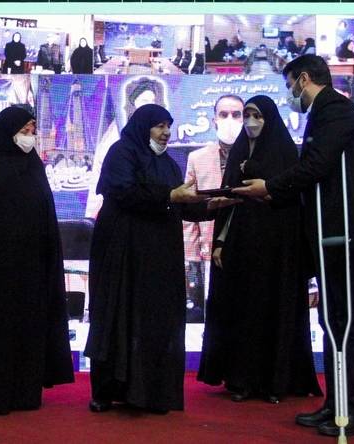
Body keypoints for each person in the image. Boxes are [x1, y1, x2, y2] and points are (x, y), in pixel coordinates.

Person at [234, 55, 354, 437]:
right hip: (328, 235)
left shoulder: (336, 110)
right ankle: (336, 404)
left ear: (303, 79)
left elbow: (318, 165)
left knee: (352, 324)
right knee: (333, 322)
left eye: (290, 84)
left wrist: (271, 187)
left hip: (349, 233)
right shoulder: (322, 113)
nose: (291, 93)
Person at [83, 104, 238, 414]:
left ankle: (152, 393)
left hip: (158, 258)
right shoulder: (121, 153)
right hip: (123, 253)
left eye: (168, 126)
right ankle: (108, 391)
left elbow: (179, 205)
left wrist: (212, 205)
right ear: (143, 126)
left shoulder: (168, 164)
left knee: (156, 319)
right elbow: (124, 192)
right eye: (159, 126)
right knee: (118, 316)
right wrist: (169, 196)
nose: (166, 132)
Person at [197, 95, 322, 404]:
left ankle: (273, 381)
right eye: (248, 115)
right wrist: (220, 243)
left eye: (257, 116)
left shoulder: (285, 153)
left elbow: (292, 202)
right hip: (241, 249)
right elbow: (228, 202)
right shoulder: (238, 151)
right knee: (242, 314)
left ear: (270, 119)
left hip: (276, 251)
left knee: (272, 313)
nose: (251, 122)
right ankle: (241, 379)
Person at [0, 106, 74, 414]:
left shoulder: (33, 163)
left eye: (32, 130)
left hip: (31, 264)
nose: (29, 136)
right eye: (24, 130)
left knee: (29, 325)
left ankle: (25, 391)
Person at [183, 95, 244, 263]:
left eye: (236, 114)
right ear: (214, 120)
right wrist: (191, 256)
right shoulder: (197, 158)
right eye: (223, 115)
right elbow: (189, 207)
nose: (230, 120)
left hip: (248, 243)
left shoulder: (257, 157)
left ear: (244, 119)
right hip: (209, 249)